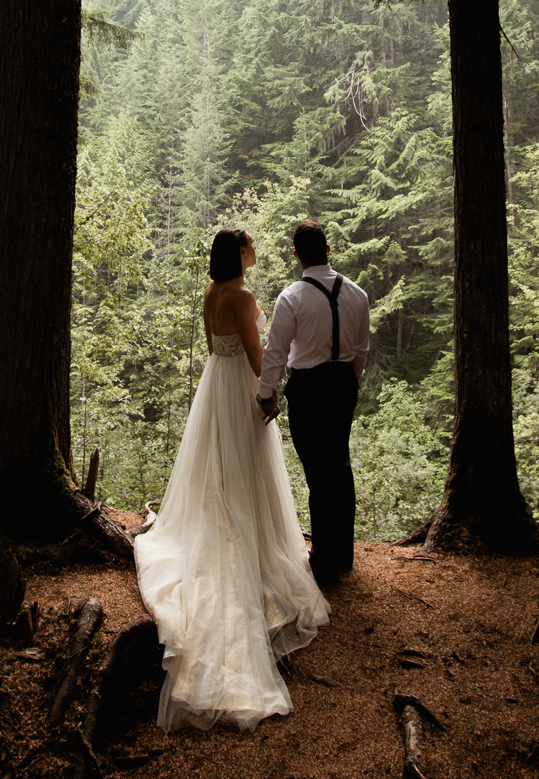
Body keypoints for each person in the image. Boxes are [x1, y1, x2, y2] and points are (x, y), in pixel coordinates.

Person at [134, 228, 328, 731]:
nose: (257, 251)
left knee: (219, 466)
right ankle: (252, 543)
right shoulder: (241, 295)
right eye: (251, 246)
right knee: (248, 464)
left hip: (213, 384)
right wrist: (268, 395)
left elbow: (214, 346)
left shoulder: (211, 293)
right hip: (238, 381)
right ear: (240, 254)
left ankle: (227, 520)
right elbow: (254, 352)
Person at [257, 219, 369, 587]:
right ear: (328, 250)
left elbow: (275, 352)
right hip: (343, 385)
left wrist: (264, 392)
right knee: (340, 463)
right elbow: (361, 352)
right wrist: (349, 382)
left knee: (319, 472)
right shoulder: (358, 294)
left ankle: (324, 562)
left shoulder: (291, 297)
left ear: (296, 256)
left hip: (308, 388)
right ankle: (342, 554)